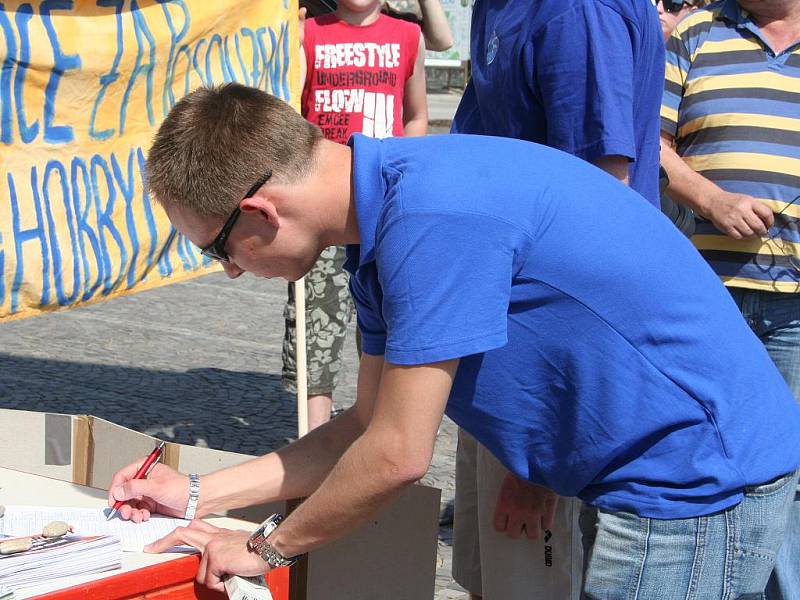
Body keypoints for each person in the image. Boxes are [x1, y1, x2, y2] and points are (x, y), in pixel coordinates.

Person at [111, 84, 800, 598]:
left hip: (691, 479)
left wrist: (264, 547)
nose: (230, 270)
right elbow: (363, 427)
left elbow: (397, 456)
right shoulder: (384, 204)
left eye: (217, 249)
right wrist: (199, 495)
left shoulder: (432, 218)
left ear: (258, 211)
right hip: (663, 468)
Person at [448, 1, 664, 597]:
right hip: (498, 327)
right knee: (485, 571)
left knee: (531, 575)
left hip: (546, 353)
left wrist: (542, 452)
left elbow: (598, 213)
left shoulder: (574, 11)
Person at [660, 1, 800, 597]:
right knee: (701, 459)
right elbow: (647, 141)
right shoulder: (695, 31)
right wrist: (711, 199)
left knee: (787, 472)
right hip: (705, 297)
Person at [285, 0, 428, 431]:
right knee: (317, 325)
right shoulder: (307, 33)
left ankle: (379, 431)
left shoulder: (408, 37)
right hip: (321, 211)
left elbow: (416, 115)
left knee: (390, 321)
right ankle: (313, 436)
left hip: (386, 210)